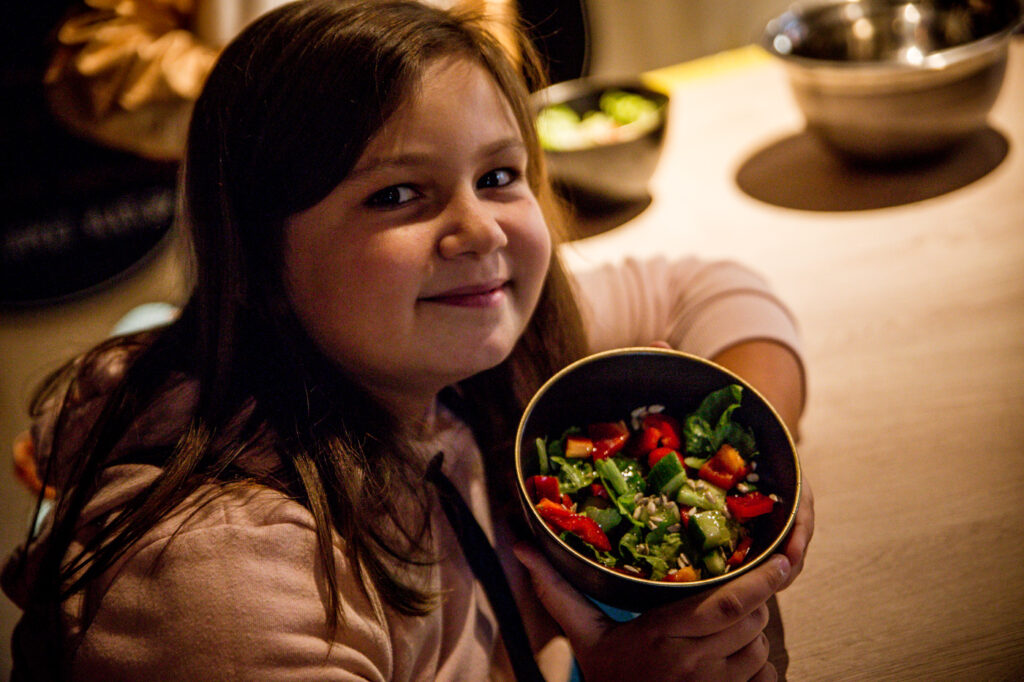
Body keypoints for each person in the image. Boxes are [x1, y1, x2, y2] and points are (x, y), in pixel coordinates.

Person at [2, 1, 813, 679]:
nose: (478, 231)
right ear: (258, 254)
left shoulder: (441, 350)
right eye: (396, 193)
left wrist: (736, 471)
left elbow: (707, 287)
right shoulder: (231, 587)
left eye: (498, 175)